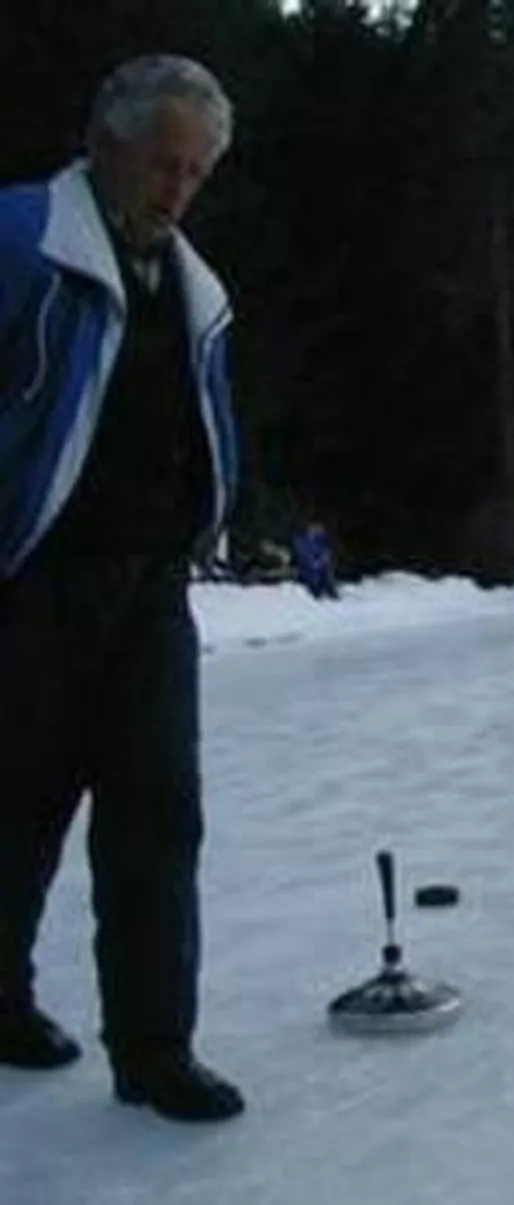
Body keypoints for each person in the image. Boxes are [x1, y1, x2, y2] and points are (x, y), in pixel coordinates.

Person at [0, 56, 245, 1121]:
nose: (176, 189)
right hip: (28, 580)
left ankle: (155, 1048)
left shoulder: (195, 288)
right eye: (163, 164)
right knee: (15, 808)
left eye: (195, 172)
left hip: (147, 591)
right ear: (106, 143)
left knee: (159, 816)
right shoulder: (18, 241)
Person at [292, 520, 340, 601]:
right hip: (307, 568)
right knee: (313, 575)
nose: (319, 531)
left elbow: (328, 551)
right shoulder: (302, 540)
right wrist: (314, 561)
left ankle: (328, 589)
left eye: (320, 529)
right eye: (316, 528)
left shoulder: (323, 540)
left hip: (322, 567)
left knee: (326, 573)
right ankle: (315, 589)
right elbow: (303, 553)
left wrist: (324, 558)